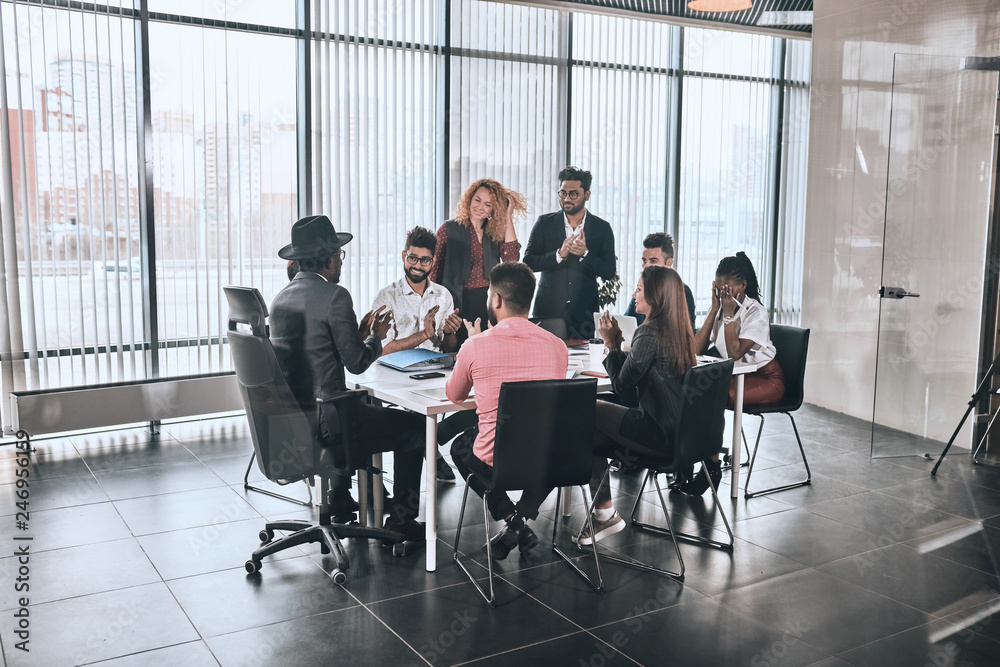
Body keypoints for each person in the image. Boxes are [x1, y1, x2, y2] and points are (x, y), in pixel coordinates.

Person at [269, 214, 426, 544]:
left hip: (295, 424)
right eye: (339, 255)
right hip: (330, 424)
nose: (340, 261)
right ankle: (400, 521)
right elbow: (356, 364)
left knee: (363, 407)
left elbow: (317, 353)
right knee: (416, 429)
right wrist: (376, 337)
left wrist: (357, 334)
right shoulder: (335, 296)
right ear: (328, 258)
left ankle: (339, 499)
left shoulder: (280, 300)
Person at [446, 262, 568, 560]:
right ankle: (519, 525)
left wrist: (474, 344)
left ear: (496, 299)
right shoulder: (558, 347)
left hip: (496, 462)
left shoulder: (475, 346)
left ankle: (512, 520)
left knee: (461, 447)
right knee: (548, 446)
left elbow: (455, 395)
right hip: (547, 460)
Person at [577, 266, 697, 545]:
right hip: (683, 437)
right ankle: (603, 513)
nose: (634, 294)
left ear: (656, 296)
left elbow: (620, 385)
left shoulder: (649, 332)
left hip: (657, 434)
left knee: (586, 409)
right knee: (591, 434)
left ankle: (605, 512)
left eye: (640, 289)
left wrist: (611, 345)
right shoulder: (680, 329)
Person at [682, 251, 785, 496]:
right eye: (718, 291)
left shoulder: (755, 312)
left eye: (727, 290)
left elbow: (734, 352)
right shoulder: (722, 307)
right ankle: (686, 462)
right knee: (691, 390)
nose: (723, 295)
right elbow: (696, 350)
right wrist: (714, 309)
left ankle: (711, 467)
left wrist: (727, 313)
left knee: (711, 396)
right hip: (735, 375)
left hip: (765, 378)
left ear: (743, 285)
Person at [371, 226, 466, 483]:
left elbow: (449, 349)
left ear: (432, 261)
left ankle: (431, 443)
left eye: (424, 260)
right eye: (413, 258)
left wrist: (448, 332)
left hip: (435, 371)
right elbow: (381, 350)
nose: (417, 265)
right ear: (404, 256)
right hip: (395, 375)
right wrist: (423, 335)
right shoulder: (387, 296)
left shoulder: (442, 294)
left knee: (469, 403)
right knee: (416, 417)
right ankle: (433, 452)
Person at [523, 166, 616, 343]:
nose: (566, 199)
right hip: (547, 310)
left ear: (587, 195)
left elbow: (609, 271)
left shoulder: (602, 228)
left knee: (583, 363)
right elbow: (528, 262)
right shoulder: (544, 223)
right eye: (563, 193)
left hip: (585, 314)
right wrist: (559, 254)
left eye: (573, 194)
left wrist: (585, 254)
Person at [429, 179, 526, 345]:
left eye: (488, 204)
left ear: (493, 209)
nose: (481, 207)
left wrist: (507, 215)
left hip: (483, 303)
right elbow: (433, 274)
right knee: (456, 352)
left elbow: (512, 259)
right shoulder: (448, 229)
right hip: (452, 303)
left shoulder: (494, 232)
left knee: (482, 350)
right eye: (477, 200)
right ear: (469, 199)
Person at [624, 232, 696, 331]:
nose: (646, 266)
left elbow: (685, 334)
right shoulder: (642, 289)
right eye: (644, 261)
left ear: (669, 262)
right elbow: (627, 321)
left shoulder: (681, 291)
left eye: (653, 261)